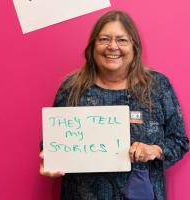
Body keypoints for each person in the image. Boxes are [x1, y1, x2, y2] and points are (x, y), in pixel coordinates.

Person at [39, 10, 189, 200]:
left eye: (122, 40)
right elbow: (53, 142)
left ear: (135, 47)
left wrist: (155, 150)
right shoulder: (71, 88)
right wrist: (49, 159)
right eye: (103, 39)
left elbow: (179, 141)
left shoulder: (157, 86)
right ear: (92, 46)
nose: (112, 46)